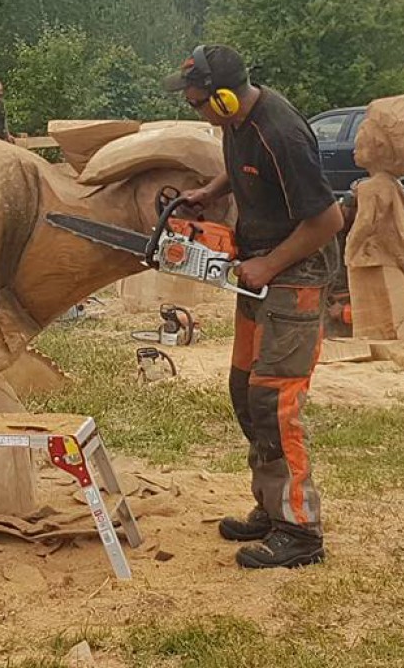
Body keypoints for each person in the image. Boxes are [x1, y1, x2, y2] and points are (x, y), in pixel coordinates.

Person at [163, 44, 346, 569]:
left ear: (223, 97)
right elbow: (245, 169)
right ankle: (271, 506)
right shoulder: (235, 123)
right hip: (260, 269)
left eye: (196, 102)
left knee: (274, 400)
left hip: (296, 274)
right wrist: (210, 191)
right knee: (246, 391)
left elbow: (329, 220)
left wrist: (269, 264)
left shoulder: (282, 133)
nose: (194, 110)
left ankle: (300, 530)